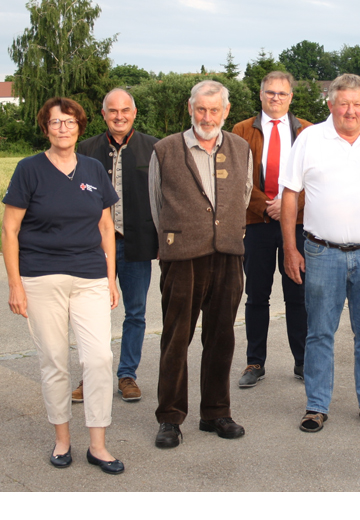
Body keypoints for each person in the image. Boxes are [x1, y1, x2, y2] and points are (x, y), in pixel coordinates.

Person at [280, 73, 360, 433]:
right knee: (319, 332)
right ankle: (316, 406)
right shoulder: (309, 140)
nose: (349, 111)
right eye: (343, 103)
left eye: (357, 104)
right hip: (321, 254)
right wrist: (290, 247)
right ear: (330, 104)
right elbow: (290, 194)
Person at [2, 97, 124, 474]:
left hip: (89, 276)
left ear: (79, 126)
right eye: (55, 123)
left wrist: (111, 277)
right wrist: (15, 285)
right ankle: (62, 440)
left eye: (69, 122)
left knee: (99, 358)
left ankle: (98, 446)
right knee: (54, 360)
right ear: (46, 128)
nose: (63, 128)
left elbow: (106, 227)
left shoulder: (93, 168)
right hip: (40, 278)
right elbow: (10, 229)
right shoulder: (28, 170)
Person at [148, 80, 252, 448]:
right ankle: (170, 417)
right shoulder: (165, 150)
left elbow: (244, 194)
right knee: (177, 339)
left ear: (226, 111)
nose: (207, 117)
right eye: (200, 109)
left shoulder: (240, 148)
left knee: (222, 336)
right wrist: (177, 239)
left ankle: (216, 412)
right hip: (182, 257)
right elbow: (155, 205)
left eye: (214, 110)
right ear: (190, 109)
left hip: (227, 254)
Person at [74, 88, 158, 403]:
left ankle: (127, 375)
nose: (119, 116)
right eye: (113, 111)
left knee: (135, 312)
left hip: (137, 244)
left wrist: (162, 241)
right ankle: (90, 376)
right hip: (93, 248)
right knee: (90, 314)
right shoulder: (86, 149)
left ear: (133, 113)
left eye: (125, 110)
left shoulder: (154, 148)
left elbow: (162, 198)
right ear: (104, 114)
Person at [232, 71, 312, 388]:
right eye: (270, 93)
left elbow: (316, 178)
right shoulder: (240, 131)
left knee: (298, 294)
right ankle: (255, 362)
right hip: (257, 223)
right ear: (261, 95)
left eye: (282, 93)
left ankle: (303, 361)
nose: (275, 98)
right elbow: (236, 178)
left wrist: (289, 205)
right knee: (256, 296)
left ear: (291, 97)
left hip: (299, 225)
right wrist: (264, 205)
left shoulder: (308, 131)